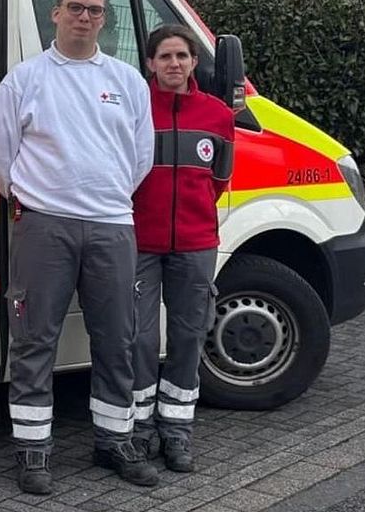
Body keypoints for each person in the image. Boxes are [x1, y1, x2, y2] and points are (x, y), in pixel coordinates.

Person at [0, 0, 157, 494]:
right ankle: (33, 451)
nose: (85, 16)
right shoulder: (26, 79)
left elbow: (141, 156)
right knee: (35, 338)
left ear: (104, 19)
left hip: (112, 225)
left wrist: (106, 197)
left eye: (95, 10)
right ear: (55, 14)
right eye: (75, 7)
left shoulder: (127, 81)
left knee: (117, 339)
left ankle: (114, 441)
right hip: (44, 225)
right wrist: (30, 197)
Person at [131, 24, 235, 473]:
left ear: (194, 62)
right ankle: (138, 429)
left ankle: (176, 431)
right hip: (139, 242)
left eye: (182, 56)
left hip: (195, 244)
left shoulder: (217, 114)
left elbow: (219, 179)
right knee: (137, 338)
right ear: (150, 63)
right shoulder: (134, 109)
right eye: (165, 56)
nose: (174, 64)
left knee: (188, 337)